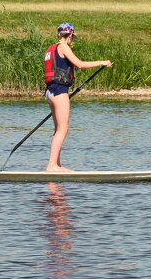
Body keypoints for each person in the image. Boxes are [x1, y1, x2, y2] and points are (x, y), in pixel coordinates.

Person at [43, 23, 110, 172]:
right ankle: (52, 166)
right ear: (71, 35)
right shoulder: (64, 47)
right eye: (73, 37)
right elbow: (80, 64)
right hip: (59, 90)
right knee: (63, 128)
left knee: (59, 129)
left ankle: (56, 165)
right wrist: (102, 62)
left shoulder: (51, 48)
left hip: (51, 91)